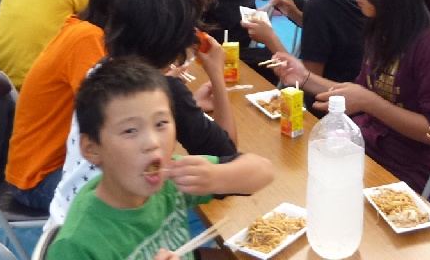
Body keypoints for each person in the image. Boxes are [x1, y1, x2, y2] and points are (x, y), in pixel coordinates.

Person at [48, 0, 272, 230]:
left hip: (65, 215)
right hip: (108, 232)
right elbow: (228, 151)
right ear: (180, 36)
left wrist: (188, 106)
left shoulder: (103, 70)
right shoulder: (164, 89)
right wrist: (216, 73)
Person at [271, 0, 430, 194]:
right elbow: (357, 93)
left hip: (401, 167)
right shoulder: (382, 27)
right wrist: (303, 77)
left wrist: (370, 103)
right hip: (363, 144)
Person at [46, 56, 274, 260]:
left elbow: (264, 171)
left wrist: (216, 176)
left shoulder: (171, 180)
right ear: (92, 149)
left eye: (161, 123)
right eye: (130, 130)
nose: (152, 142)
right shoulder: (76, 244)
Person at [6, 0, 137, 210]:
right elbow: (111, 113)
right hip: (40, 177)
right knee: (138, 184)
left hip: (48, 164)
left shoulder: (83, 29)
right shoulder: (87, 39)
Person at [242, 0, 366, 110]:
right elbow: (334, 34)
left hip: (333, 107)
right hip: (354, 90)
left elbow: (306, 80)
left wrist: (270, 38)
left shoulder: (319, 6)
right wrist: (295, 14)